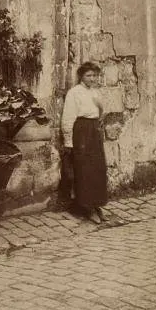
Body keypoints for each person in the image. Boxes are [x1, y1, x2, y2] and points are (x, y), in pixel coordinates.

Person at [60, 61, 108, 223]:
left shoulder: (95, 92)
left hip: (94, 131)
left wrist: (101, 112)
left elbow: (100, 114)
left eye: (94, 75)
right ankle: (87, 207)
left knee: (98, 169)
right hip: (81, 132)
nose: (92, 78)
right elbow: (68, 118)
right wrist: (68, 141)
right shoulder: (74, 93)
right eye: (88, 75)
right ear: (81, 76)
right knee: (84, 170)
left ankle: (97, 204)